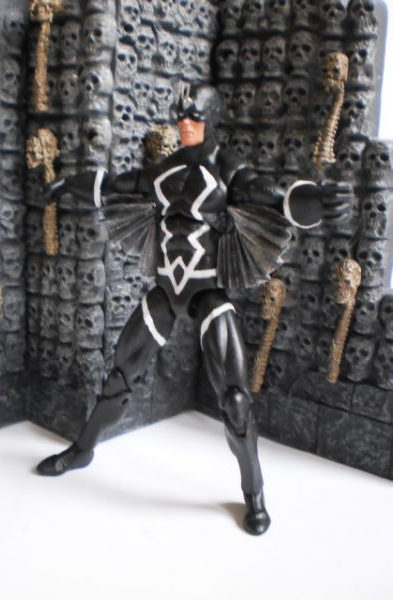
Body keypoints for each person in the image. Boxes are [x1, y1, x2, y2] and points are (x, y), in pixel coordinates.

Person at [36, 84, 352, 535]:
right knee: (119, 377)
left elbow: (275, 197)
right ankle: (82, 450)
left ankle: (254, 491)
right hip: (167, 291)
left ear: (212, 118)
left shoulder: (229, 170)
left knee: (236, 401)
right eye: (182, 117)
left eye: (196, 118)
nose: (186, 125)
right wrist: (69, 185)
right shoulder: (164, 170)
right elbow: (113, 186)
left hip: (207, 293)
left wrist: (317, 201)